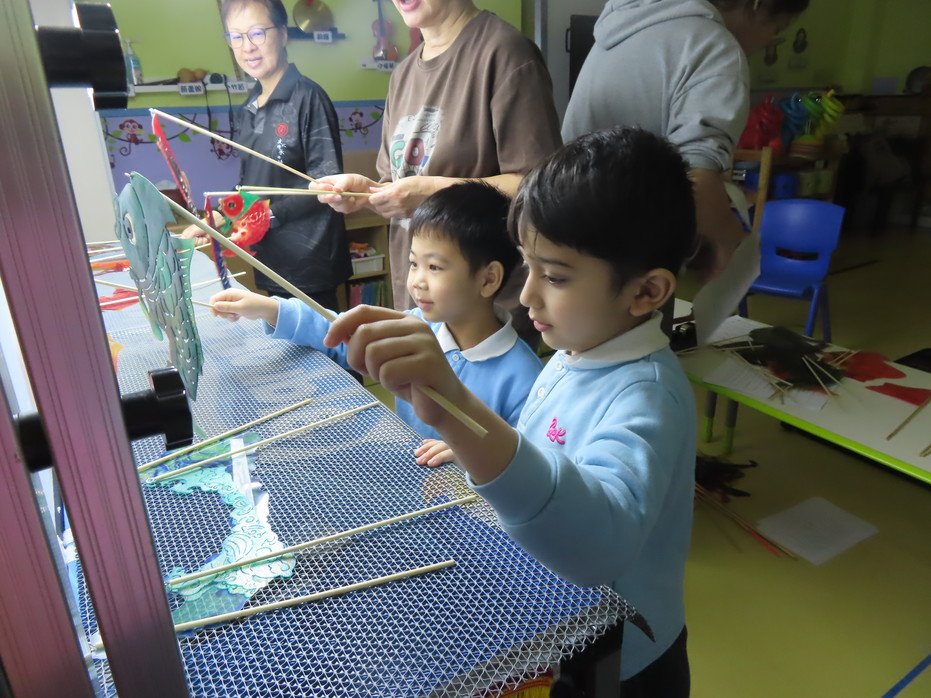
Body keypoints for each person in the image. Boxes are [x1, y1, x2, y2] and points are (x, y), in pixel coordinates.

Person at [321, 127, 699, 695]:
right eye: (529, 267)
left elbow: (598, 545)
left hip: (624, 660)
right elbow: (541, 448)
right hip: (560, 626)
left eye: (556, 276)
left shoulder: (649, 396)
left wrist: (456, 409)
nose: (526, 296)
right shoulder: (574, 352)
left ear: (646, 292)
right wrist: (473, 441)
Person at [210, 182, 542, 459]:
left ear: (488, 279)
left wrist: (469, 451)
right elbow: (340, 332)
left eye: (435, 267)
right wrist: (270, 309)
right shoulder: (415, 328)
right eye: (414, 263)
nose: (417, 281)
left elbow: (530, 462)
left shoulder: (524, 377)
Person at [315, 0, 561, 341]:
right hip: (420, 303)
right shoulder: (403, 75)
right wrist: (367, 194)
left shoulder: (505, 53)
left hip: (485, 314)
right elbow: (400, 188)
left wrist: (431, 191)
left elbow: (539, 187)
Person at [563, 0, 810, 285]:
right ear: (756, 5)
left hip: (566, 231)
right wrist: (729, 237)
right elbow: (695, 178)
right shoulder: (716, 47)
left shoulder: (626, 26)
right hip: (623, 256)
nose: (768, 43)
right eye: (777, 30)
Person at [205, 0, 351, 308]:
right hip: (271, 258)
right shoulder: (249, 106)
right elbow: (250, 184)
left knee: (319, 339)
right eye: (236, 36)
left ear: (283, 34)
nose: (247, 47)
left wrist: (264, 216)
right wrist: (216, 217)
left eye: (258, 33)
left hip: (310, 263)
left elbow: (326, 184)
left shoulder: (308, 98)